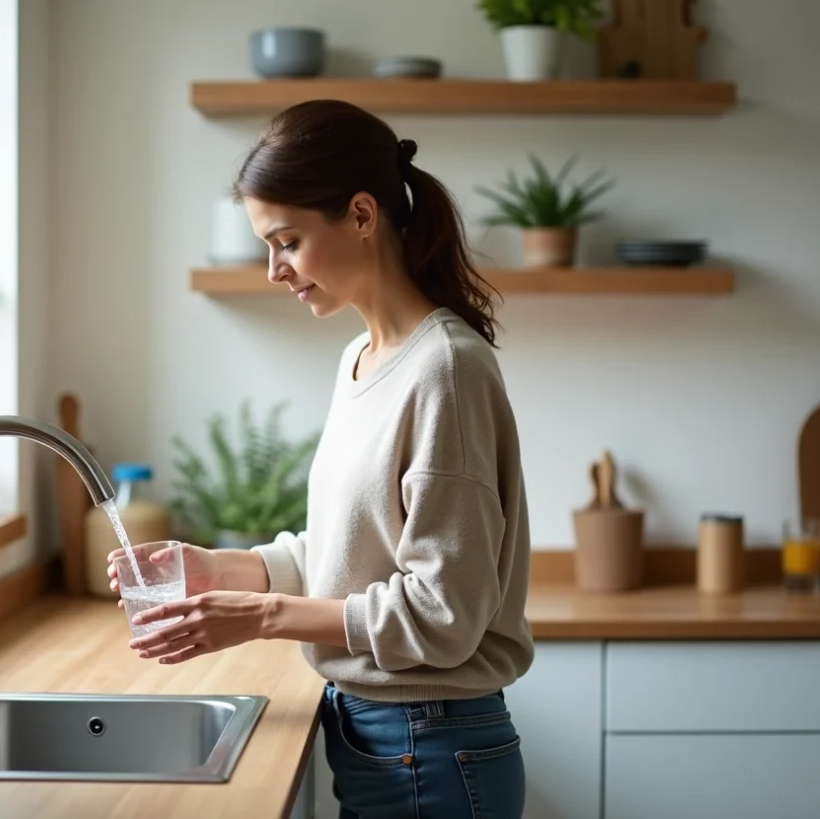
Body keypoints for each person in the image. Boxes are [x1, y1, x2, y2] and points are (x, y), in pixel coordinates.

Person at [109, 98, 534, 819]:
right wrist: (218, 567)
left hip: (430, 744)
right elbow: (351, 556)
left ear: (362, 216)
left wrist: (261, 614)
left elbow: (443, 614)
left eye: (288, 241)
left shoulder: (446, 370)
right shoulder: (362, 360)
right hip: (383, 735)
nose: (275, 270)